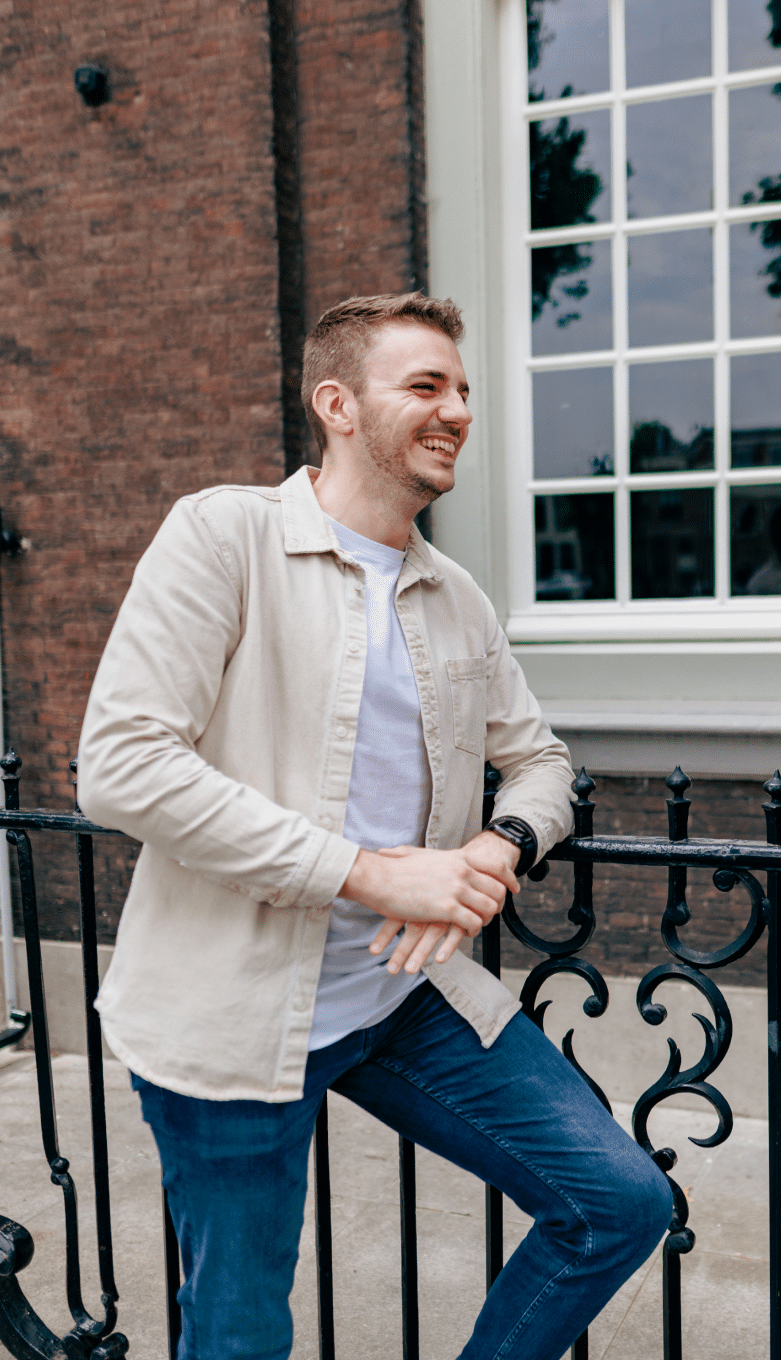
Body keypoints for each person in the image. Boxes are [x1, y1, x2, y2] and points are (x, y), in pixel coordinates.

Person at [77, 292, 672, 1360]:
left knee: (621, 1201)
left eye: (463, 390)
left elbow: (540, 763)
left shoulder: (456, 596)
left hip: (403, 998)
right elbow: (120, 769)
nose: (456, 411)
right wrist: (366, 874)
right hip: (231, 1017)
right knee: (241, 1330)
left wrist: (500, 847)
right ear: (338, 404)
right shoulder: (225, 535)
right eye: (426, 386)